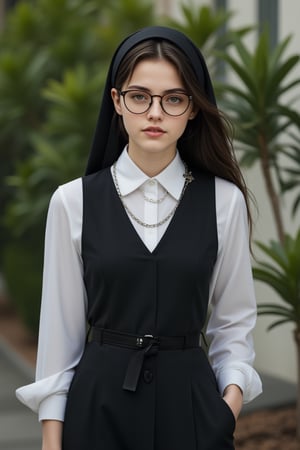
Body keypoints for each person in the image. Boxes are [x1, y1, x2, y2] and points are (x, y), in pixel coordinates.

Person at [16, 26, 262, 450]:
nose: (154, 113)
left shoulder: (225, 202)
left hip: (193, 415)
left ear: (193, 109)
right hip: (96, 414)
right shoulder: (72, 202)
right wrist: (51, 441)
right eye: (139, 96)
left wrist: (226, 409)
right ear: (117, 101)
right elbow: (60, 337)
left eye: (173, 99)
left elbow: (233, 325)